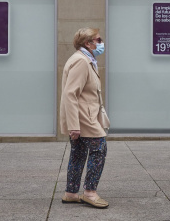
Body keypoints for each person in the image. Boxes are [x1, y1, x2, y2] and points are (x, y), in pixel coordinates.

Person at [60, 27, 109, 209]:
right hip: (84, 118)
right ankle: (90, 193)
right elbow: (71, 94)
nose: (101, 43)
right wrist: (74, 125)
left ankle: (71, 193)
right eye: (98, 40)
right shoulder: (81, 61)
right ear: (87, 43)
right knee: (99, 150)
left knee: (79, 154)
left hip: (83, 116)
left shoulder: (86, 59)